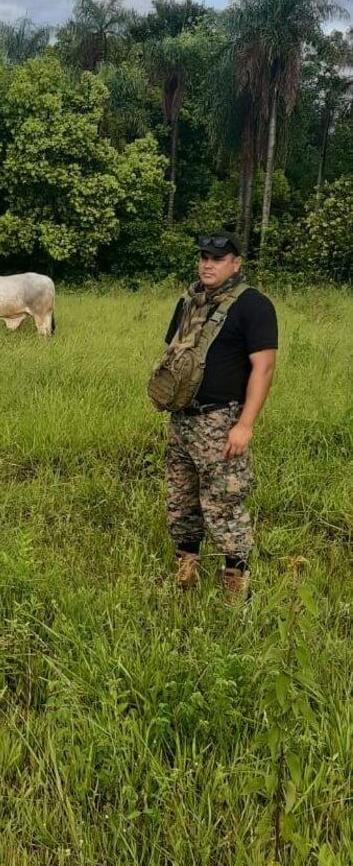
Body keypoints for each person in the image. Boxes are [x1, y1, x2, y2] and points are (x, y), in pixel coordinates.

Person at [161, 230, 277, 601]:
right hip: (183, 418)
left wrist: (245, 425)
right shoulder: (189, 302)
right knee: (181, 502)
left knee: (224, 504)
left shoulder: (253, 305)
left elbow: (264, 368)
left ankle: (235, 586)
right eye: (204, 257)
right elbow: (174, 355)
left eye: (218, 259)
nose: (208, 264)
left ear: (236, 263)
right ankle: (185, 574)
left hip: (221, 420)